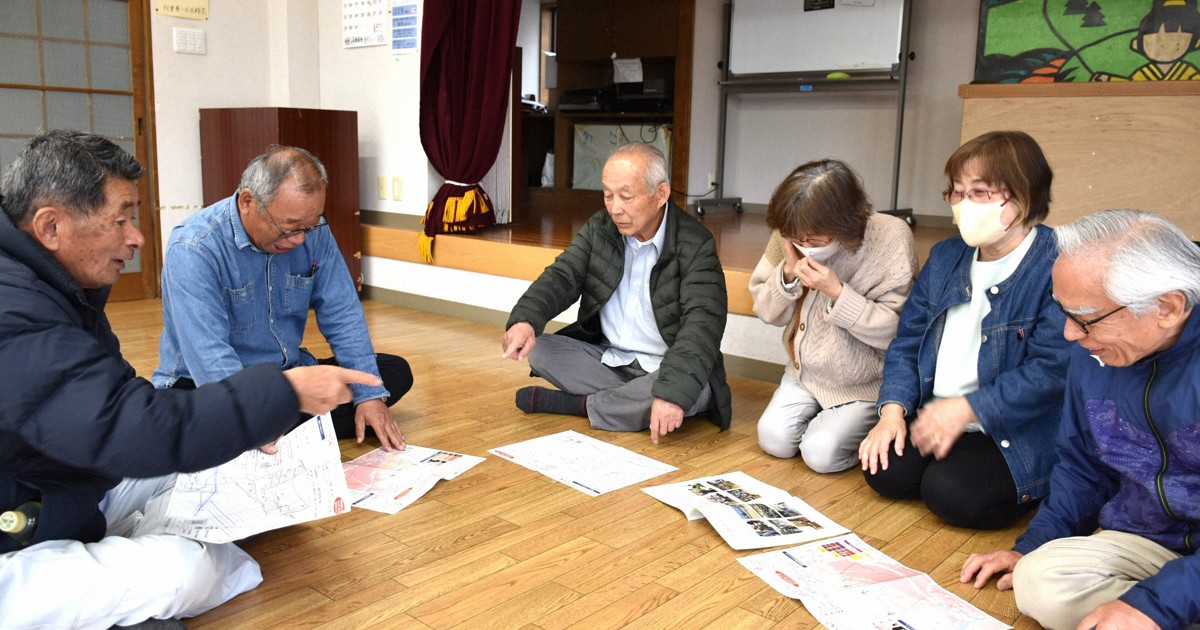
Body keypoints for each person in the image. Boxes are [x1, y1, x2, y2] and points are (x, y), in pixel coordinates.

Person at [0, 130, 378, 628]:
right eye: (122, 219)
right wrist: (278, 401)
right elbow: (167, 394)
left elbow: (109, 395)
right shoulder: (21, 307)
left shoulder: (56, 288)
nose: (136, 237)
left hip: (65, 480)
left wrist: (364, 391)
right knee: (191, 568)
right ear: (51, 227)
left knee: (377, 377)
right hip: (29, 513)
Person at [961, 209, 1200, 630]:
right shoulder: (1093, 351)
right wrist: (1032, 545)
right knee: (1038, 581)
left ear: (1167, 306)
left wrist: (1158, 605)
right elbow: (1082, 466)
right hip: (1147, 539)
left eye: (1085, 318)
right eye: (1063, 313)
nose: (1069, 334)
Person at [857, 130, 1071, 529]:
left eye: (980, 193)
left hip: (1006, 427)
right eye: (956, 192)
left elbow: (1051, 371)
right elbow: (908, 342)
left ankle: (1033, 479)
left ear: (1022, 196)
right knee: (885, 472)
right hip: (937, 413)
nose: (963, 204)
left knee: (954, 494)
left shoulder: (1056, 264)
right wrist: (892, 413)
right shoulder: (945, 257)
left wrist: (970, 408)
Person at [153, 145, 413, 451]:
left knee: (390, 372)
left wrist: (369, 397)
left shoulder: (312, 230)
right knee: (188, 414)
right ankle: (282, 427)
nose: (300, 239)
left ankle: (282, 427)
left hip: (285, 380)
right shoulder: (195, 247)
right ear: (248, 201)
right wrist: (251, 418)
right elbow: (208, 355)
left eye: (309, 226)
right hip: (206, 387)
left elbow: (342, 312)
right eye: (289, 228)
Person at [501, 142, 731, 444]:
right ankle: (629, 404)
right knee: (542, 350)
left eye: (626, 196)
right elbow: (563, 275)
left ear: (660, 194)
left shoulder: (695, 244)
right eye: (608, 195)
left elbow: (702, 325)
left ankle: (580, 405)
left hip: (665, 366)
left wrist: (671, 392)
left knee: (692, 387)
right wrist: (526, 321)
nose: (615, 208)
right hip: (609, 360)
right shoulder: (601, 228)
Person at [749, 159, 916, 472]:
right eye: (797, 238)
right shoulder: (790, 229)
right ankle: (823, 419)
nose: (804, 246)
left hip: (864, 382)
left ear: (845, 224)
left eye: (815, 240)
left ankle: (849, 429)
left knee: (820, 455)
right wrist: (787, 272)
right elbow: (765, 311)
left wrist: (838, 293)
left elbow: (896, 330)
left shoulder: (891, 236)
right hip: (804, 375)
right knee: (773, 439)